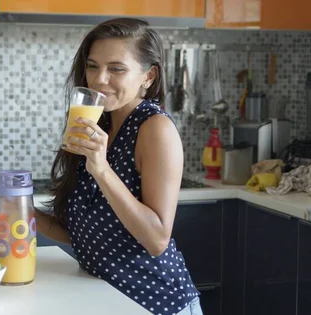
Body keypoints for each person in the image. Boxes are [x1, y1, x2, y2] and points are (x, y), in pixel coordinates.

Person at [35, 17, 203, 315]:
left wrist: (100, 169)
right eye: (92, 66)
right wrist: (23, 212)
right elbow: (84, 232)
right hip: (108, 300)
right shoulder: (98, 122)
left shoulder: (155, 129)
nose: (100, 79)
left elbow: (156, 240)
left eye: (116, 69)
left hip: (157, 304)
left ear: (148, 77)